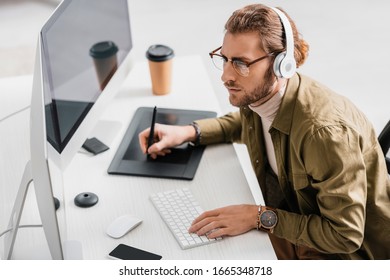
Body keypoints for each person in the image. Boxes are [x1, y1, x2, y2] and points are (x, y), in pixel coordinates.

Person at [139, 3, 390, 259]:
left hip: (344, 255)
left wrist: (258, 216)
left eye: (241, 63)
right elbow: (245, 124)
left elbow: (344, 235)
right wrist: (189, 132)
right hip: (296, 224)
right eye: (224, 58)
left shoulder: (323, 134)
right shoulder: (257, 96)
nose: (226, 76)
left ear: (282, 64)